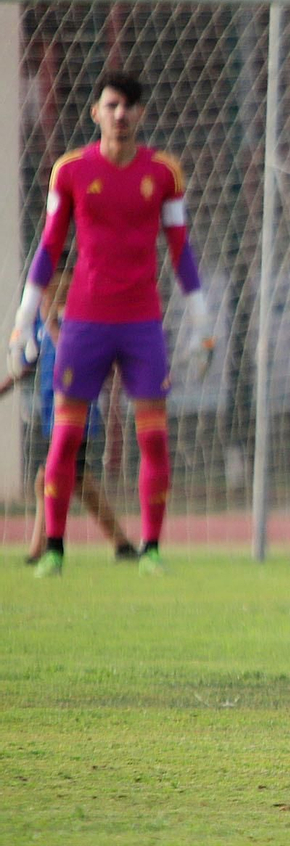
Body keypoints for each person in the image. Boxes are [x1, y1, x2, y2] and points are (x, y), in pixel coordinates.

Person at [8, 70, 213, 578]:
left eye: (130, 106)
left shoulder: (162, 172)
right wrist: (22, 319)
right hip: (84, 323)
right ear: (97, 112)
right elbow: (51, 246)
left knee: (154, 440)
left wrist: (203, 319)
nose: (121, 114)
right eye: (113, 105)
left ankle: (151, 550)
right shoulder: (71, 170)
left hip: (142, 323)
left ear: (141, 114)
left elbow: (181, 250)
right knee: (64, 438)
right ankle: (54, 549)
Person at [24, 273, 138, 564]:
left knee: (54, 478)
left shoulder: (73, 325)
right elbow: (29, 362)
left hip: (76, 416)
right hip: (50, 414)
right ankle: (121, 545)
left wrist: (51, 325)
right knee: (71, 481)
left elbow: (74, 356)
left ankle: (40, 550)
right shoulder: (40, 326)